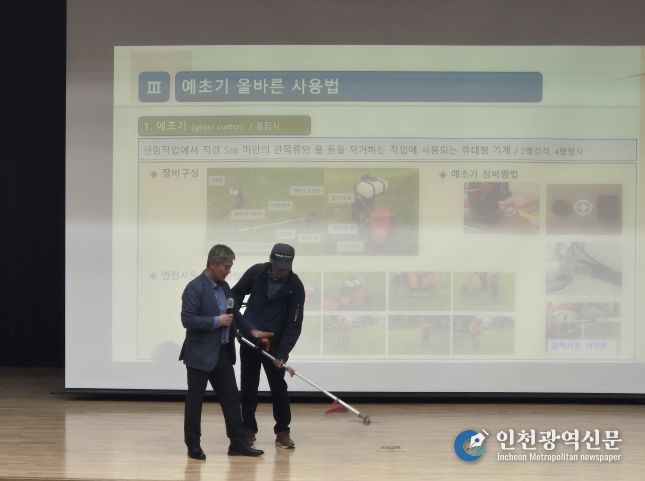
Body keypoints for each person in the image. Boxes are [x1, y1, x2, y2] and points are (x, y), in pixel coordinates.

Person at [179, 244, 264, 459]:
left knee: (231, 399)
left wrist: (252, 332)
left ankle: (237, 443)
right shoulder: (194, 288)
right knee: (195, 402)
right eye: (226, 267)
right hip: (199, 355)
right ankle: (193, 445)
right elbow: (187, 320)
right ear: (212, 264)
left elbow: (234, 315)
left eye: (230, 267)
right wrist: (217, 321)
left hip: (223, 353)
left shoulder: (225, 287)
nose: (228, 271)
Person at [231, 243, 305, 450]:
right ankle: (248, 430)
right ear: (271, 259)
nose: (281, 271)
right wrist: (240, 323)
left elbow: (294, 323)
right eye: (278, 266)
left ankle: (282, 431)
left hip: (275, 344)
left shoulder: (295, 286)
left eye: (285, 268)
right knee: (248, 387)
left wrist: (283, 353)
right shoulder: (256, 273)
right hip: (250, 340)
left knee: (279, 389)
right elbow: (235, 294)